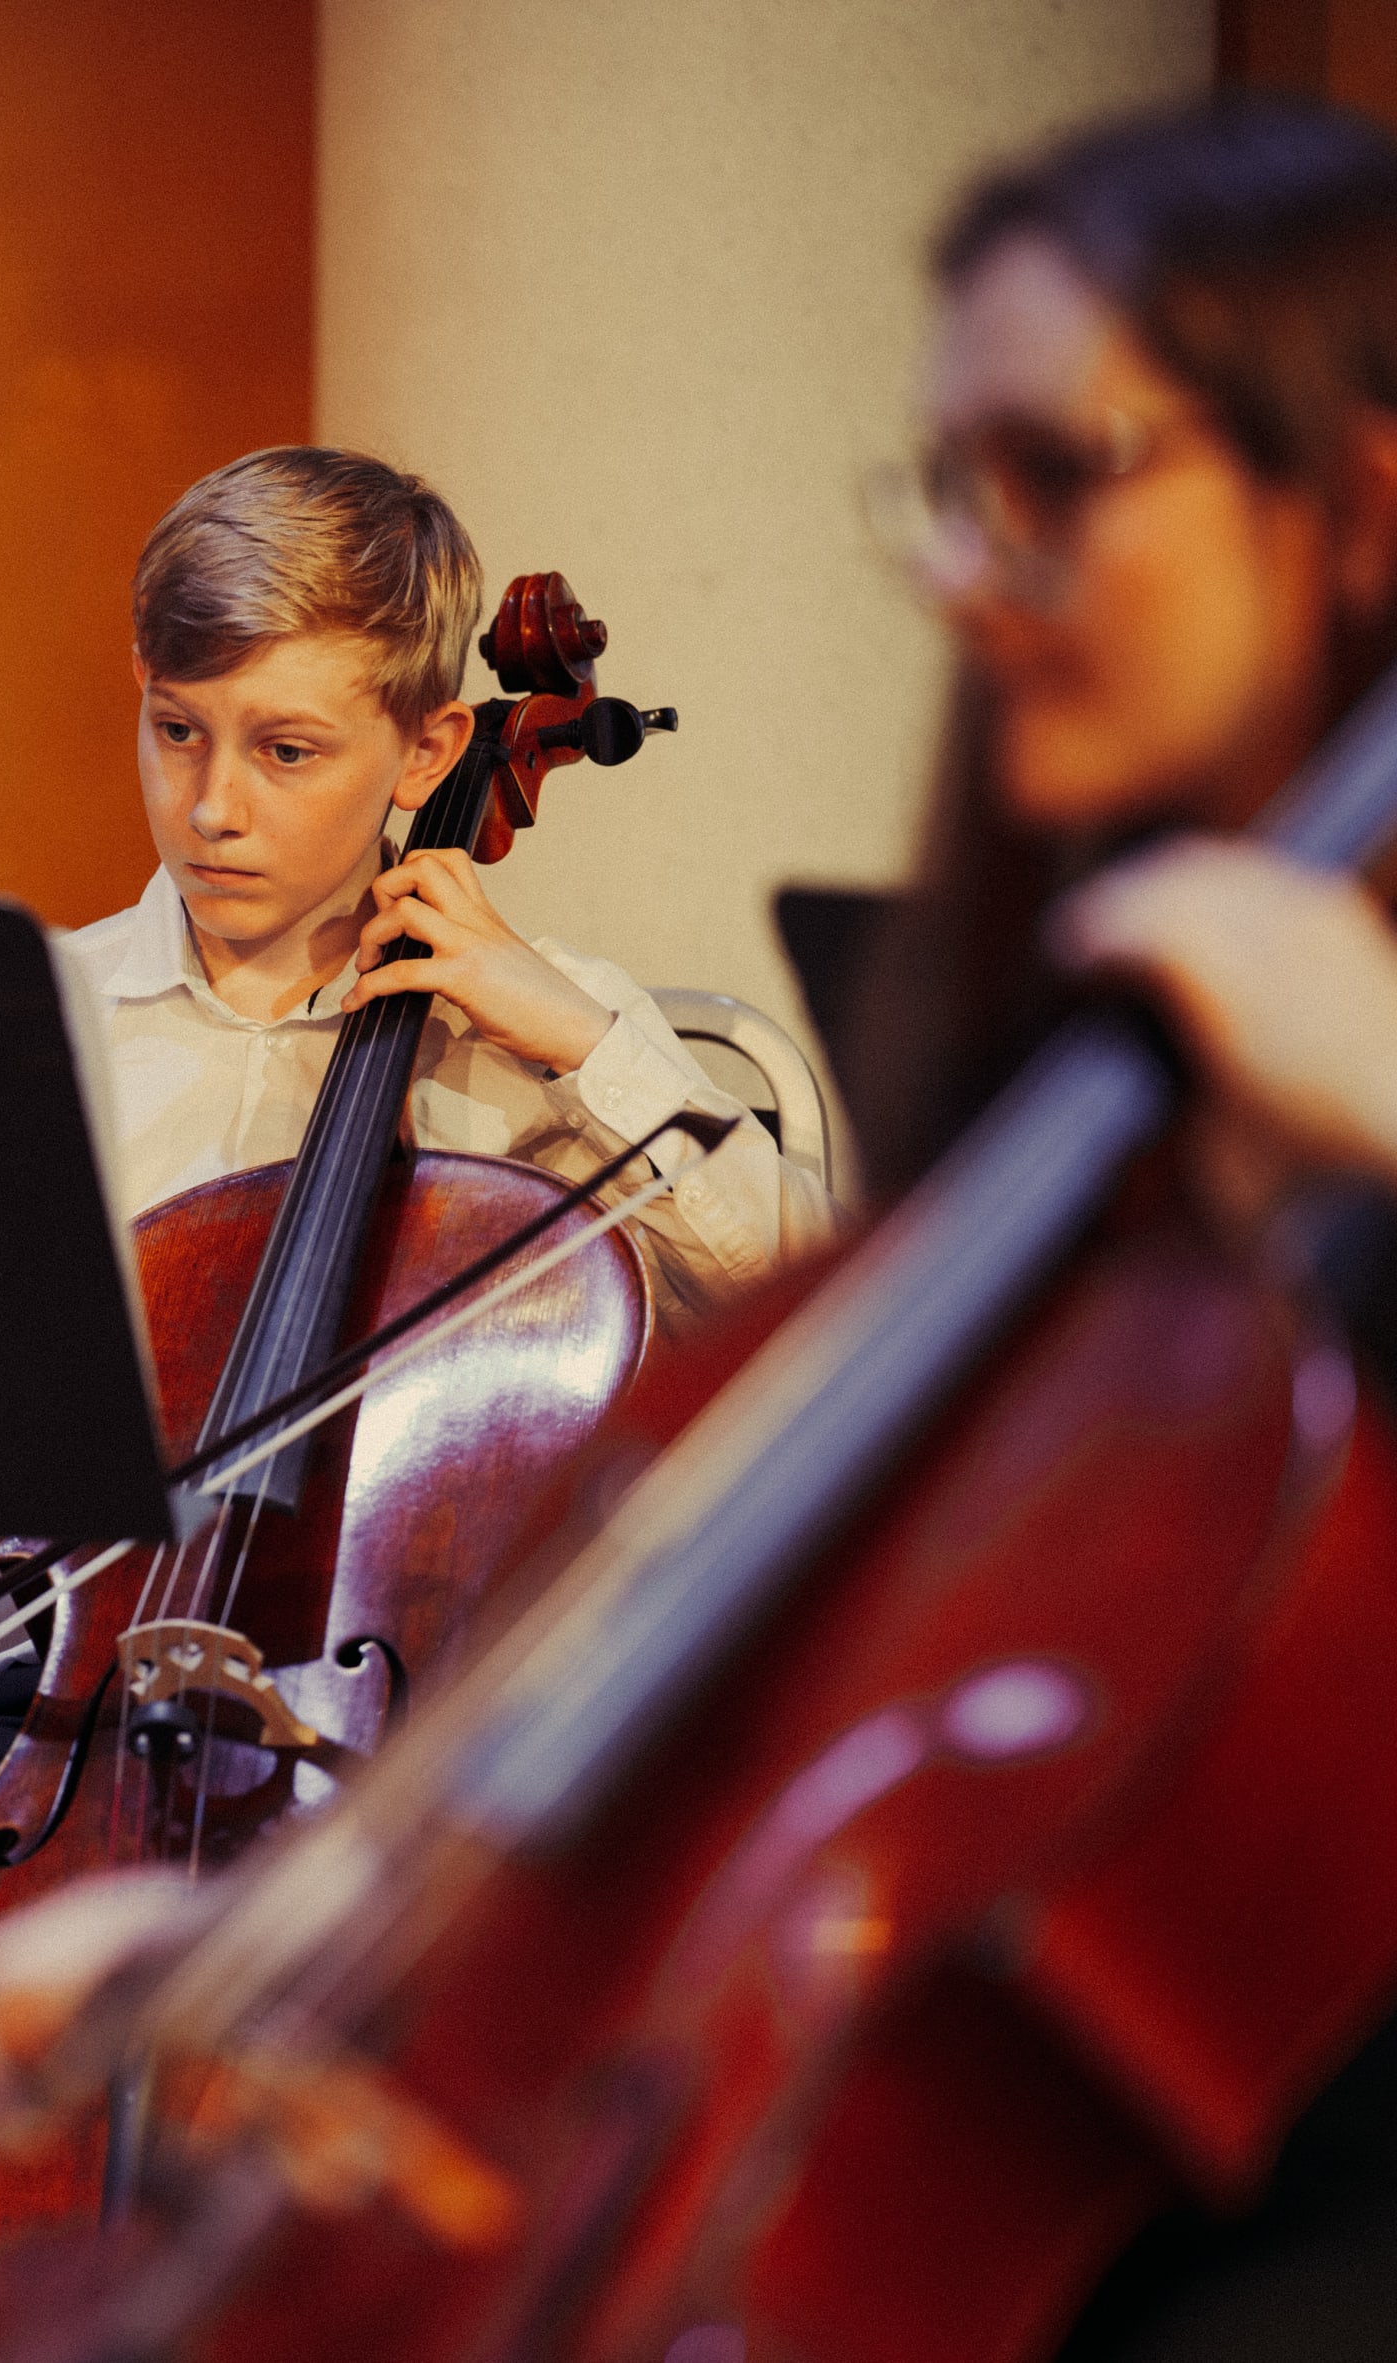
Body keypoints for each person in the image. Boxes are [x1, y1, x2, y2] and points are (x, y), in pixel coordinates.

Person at [0, 444, 830, 2360]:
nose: (211, 807)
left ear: (436, 740)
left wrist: (573, 1035)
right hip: (31, 1735)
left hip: (402, 1777)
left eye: (285, 750)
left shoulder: (536, 1052)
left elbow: (810, 1303)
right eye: (173, 733)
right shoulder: (25, 1022)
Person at [841, 93, 1397, 2362]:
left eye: (1054, 478)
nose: (977, 574)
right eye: (955, 491)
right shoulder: (1084, 1049)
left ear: (1357, 504)